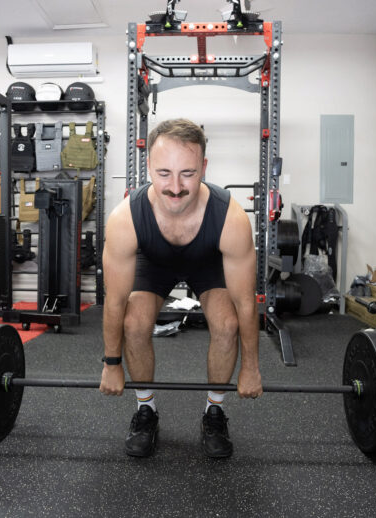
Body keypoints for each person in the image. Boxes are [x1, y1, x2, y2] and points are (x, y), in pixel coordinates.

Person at [99, 118, 262, 458]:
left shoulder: (230, 218)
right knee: (134, 322)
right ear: (148, 168)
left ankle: (214, 412)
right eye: (163, 174)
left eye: (187, 173)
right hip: (154, 261)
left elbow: (246, 303)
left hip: (207, 260)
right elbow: (114, 301)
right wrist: (111, 363)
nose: (175, 186)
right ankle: (146, 410)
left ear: (204, 167)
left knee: (228, 322)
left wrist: (250, 368)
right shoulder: (124, 219)